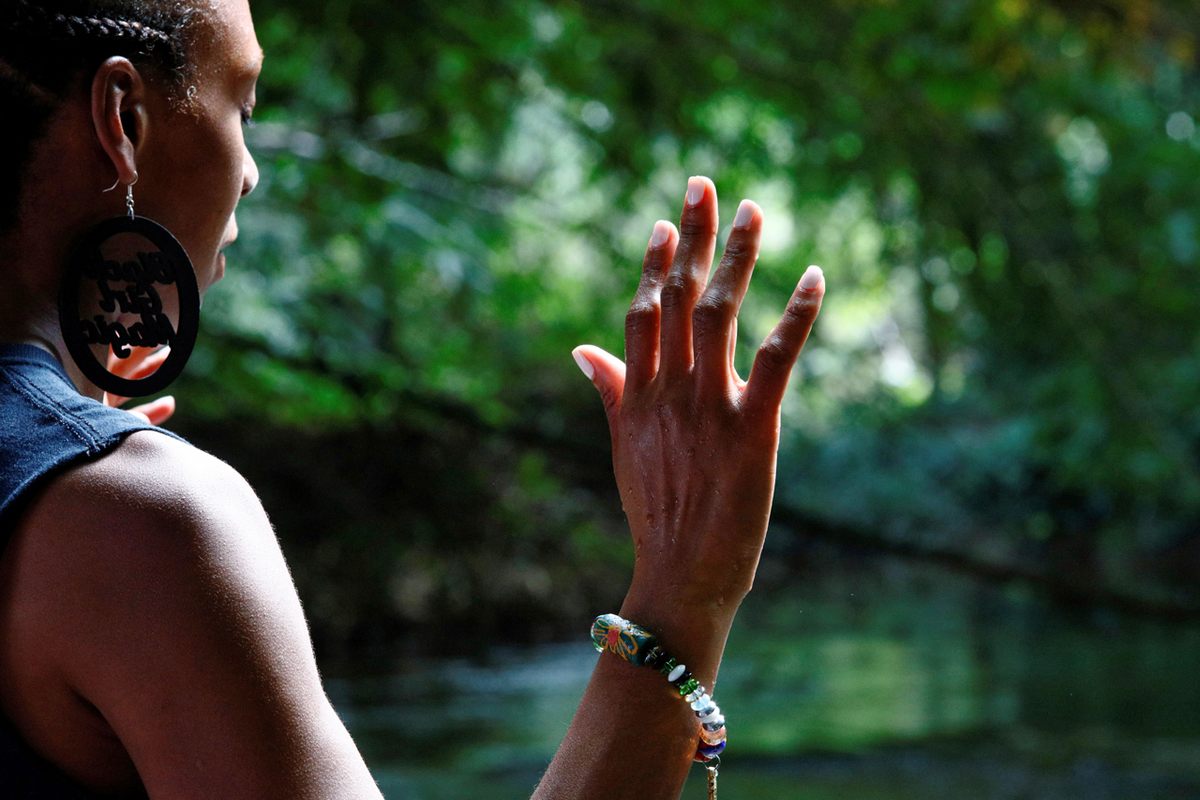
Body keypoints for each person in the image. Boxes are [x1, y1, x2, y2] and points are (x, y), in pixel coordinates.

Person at [0, 1, 826, 798]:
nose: (249, 172)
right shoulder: (141, 525)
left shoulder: (95, 507)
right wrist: (689, 588)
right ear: (124, 121)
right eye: (242, 106)